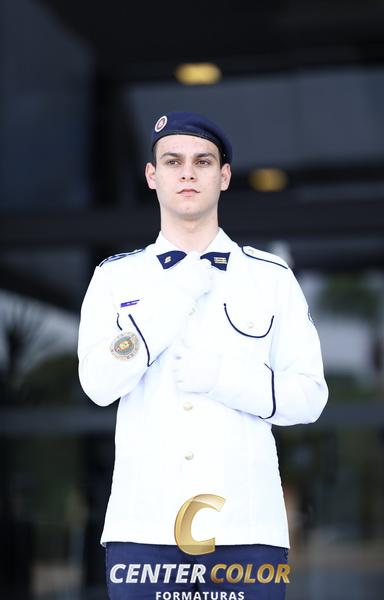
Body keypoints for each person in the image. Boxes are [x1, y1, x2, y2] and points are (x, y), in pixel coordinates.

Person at [77, 111, 329, 599]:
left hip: (246, 530)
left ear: (224, 176)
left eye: (203, 161)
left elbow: (310, 396)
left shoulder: (270, 277)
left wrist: (222, 377)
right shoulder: (114, 279)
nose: (187, 173)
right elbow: (98, 384)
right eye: (173, 162)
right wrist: (174, 299)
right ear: (152, 176)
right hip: (144, 529)